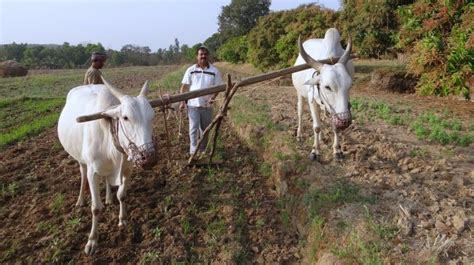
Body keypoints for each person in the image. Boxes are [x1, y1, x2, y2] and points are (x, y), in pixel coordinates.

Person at [180, 46, 223, 156]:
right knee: (193, 128)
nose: (203, 56)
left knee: (205, 129)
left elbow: (218, 87)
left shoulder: (214, 71)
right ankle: (193, 151)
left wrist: (212, 97)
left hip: (206, 106)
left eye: (205, 54)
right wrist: (182, 101)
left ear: (208, 56)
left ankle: (202, 150)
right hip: (193, 104)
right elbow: (184, 86)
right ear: (197, 56)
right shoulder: (191, 70)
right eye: (201, 54)